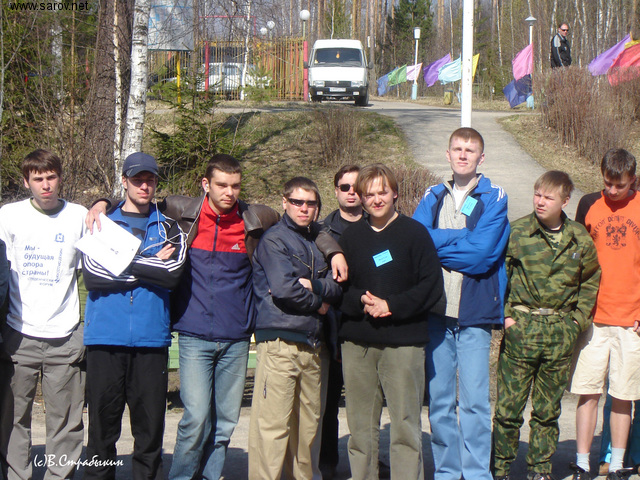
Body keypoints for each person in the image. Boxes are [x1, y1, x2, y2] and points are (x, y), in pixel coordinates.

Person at [82, 152, 187, 480]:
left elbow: (171, 274)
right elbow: (94, 276)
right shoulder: (102, 222)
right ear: (124, 181)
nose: (144, 186)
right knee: (101, 434)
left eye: (150, 180)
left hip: (151, 341)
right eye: (137, 179)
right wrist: (150, 264)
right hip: (105, 340)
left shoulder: (170, 228)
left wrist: (118, 260)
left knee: (149, 434)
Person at [413, 127, 510, 480]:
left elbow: (482, 255)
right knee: (439, 403)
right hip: (437, 313)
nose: (463, 155)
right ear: (448, 154)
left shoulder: (495, 196)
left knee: (474, 402)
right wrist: (462, 238)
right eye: (458, 149)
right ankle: (447, 473)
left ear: (481, 157)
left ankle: (477, 473)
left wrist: (438, 247)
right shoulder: (432, 195)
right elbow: (416, 242)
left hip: (474, 313)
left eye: (470, 150)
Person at [492, 171, 600, 480]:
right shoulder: (517, 232)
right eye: (537, 194)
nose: (540, 201)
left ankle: (539, 469)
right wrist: (507, 318)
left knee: (547, 412)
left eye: (548, 197)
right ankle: (499, 468)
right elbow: (499, 277)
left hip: (559, 331)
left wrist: (576, 322)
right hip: (522, 330)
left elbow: (590, 280)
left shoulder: (578, 237)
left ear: (565, 201)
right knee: (508, 411)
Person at [338, 163, 443, 480]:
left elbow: (431, 286)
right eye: (369, 194)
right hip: (358, 344)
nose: (376, 199)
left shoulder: (415, 234)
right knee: (360, 428)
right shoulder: (351, 237)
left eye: (382, 192)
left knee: (405, 426)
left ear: (395, 193)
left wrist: (391, 305)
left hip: (403, 344)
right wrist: (360, 300)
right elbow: (339, 290)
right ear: (361, 198)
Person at [0, 149, 87, 480]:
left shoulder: (79, 216)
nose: (46, 185)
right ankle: (16, 475)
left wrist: (82, 330)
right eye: (38, 179)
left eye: (51, 177)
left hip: (65, 336)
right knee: (12, 418)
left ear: (60, 178)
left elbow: (88, 276)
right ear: (27, 182)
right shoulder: (9, 216)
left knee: (65, 421)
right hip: (18, 334)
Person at [248, 177, 342, 480]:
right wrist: (319, 303)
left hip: (314, 346)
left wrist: (315, 286)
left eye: (311, 203)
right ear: (285, 203)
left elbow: (337, 287)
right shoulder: (274, 240)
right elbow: (284, 289)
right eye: (297, 202)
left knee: (308, 429)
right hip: (280, 343)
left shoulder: (318, 241)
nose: (304, 208)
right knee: (273, 426)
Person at [568, 148, 640, 480]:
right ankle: (583, 462)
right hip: (593, 317)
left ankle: (618, 463)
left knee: (623, 395)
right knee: (588, 391)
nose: (612, 191)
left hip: (631, 321)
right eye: (607, 184)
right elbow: (575, 257)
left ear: (633, 180)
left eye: (619, 186)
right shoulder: (589, 204)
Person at [319, 164, 363, 479]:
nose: (351, 192)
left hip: (369, 324)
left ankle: (367, 463)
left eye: (356, 187)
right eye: (345, 187)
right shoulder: (321, 231)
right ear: (335, 191)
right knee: (328, 402)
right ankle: (327, 463)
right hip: (331, 326)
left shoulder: (380, 225)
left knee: (367, 404)